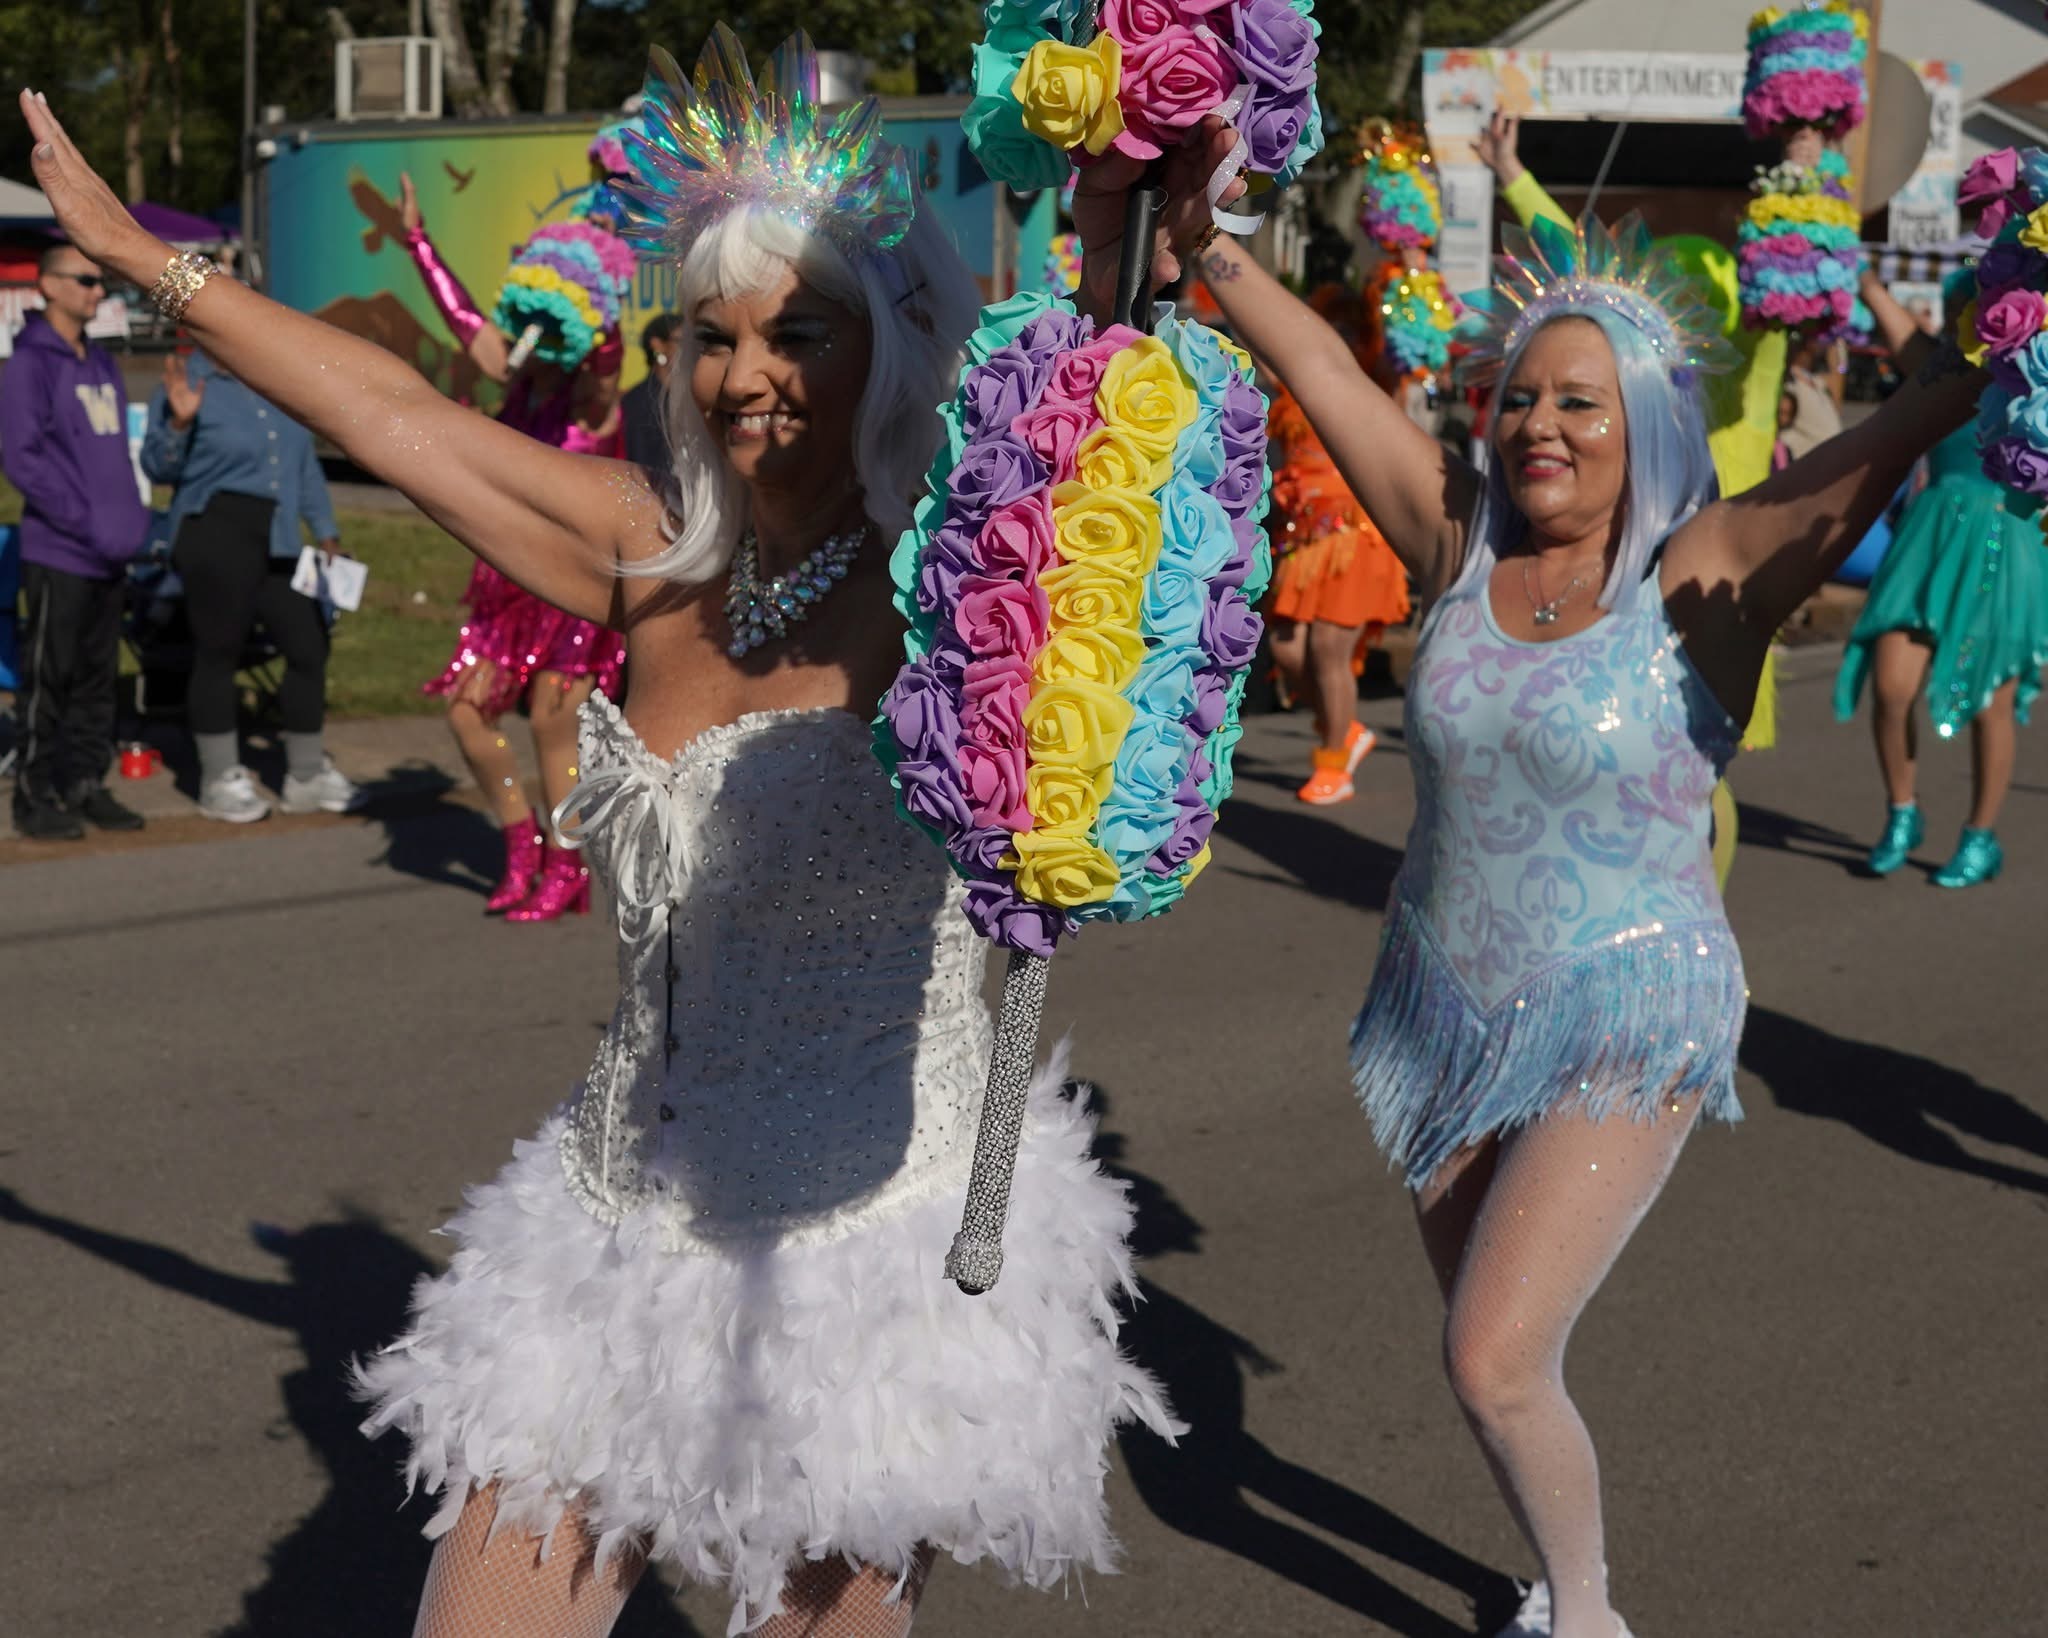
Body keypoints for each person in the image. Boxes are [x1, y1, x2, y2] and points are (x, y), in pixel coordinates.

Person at [18, 35, 1235, 1636]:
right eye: (713, 336)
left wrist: (1144, 207)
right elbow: (392, 415)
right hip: (613, 1210)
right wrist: (150, 268)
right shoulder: (645, 551)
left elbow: (1104, 434)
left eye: (798, 331)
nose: (745, 378)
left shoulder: (972, 573)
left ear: (887, 335)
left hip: (866, 1240)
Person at [1192, 191, 1982, 1634]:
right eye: (1521, 398)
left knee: (1491, 1355)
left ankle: (1594, 1618)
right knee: (1496, 1359)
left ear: (1648, 432)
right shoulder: (1455, 546)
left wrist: (1993, 346)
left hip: (1632, 992)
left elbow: (1882, 442)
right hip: (1444, 999)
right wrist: (1208, 245)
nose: (1540, 424)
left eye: (1582, 402)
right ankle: (1566, 1584)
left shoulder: (1707, 572)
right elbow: (1321, 372)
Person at [393, 159, 634, 921]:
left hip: (573, 576)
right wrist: (419, 244)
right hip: (507, 582)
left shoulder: (595, 400)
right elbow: (470, 327)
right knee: (468, 712)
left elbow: (601, 369)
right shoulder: (524, 384)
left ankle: (569, 866)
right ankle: (521, 842)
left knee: (550, 725)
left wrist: (597, 310)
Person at [1834, 268, 2048, 887]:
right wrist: (1859, 271)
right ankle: (1903, 812)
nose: (1972, 320)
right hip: (1928, 540)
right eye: (1964, 310)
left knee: (1989, 702)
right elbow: (1887, 312)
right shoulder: (1937, 371)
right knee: (1892, 684)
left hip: (2003, 547)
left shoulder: (2035, 383)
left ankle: (1981, 837)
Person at [141, 349, 363, 821]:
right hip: (215, 528)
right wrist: (179, 425)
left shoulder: (276, 380)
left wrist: (325, 531)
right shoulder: (188, 381)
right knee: (219, 650)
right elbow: (157, 467)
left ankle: (305, 776)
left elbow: (302, 465)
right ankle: (219, 778)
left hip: (278, 538)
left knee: (308, 646)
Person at [0, 239, 149, 839]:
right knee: (49, 680)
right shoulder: (29, 365)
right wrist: (86, 521)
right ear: (50, 286)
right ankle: (35, 793)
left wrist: (129, 522)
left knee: (96, 680)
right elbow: (23, 458)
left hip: (111, 554)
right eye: (86, 280)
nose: (98, 291)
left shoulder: (102, 363)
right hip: (60, 551)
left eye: (100, 283)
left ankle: (85, 781)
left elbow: (112, 457)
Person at [1263, 285, 1411, 805]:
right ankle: (1343, 731)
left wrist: (1405, 274)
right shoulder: (1290, 396)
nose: (1341, 338)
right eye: (1333, 329)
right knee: (1287, 648)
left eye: (1353, 331)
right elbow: (1266, 342)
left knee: (1329, 648)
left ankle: (1334, 764)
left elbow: (1402, 362)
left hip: (1357, 537)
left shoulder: (1370, 386)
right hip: (1305, 540)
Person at [620, 310, 680, 472]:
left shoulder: (689, 399)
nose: (690, 350)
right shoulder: (639, 402)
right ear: (658, 345)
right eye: (681, 341)